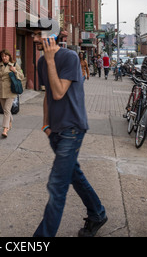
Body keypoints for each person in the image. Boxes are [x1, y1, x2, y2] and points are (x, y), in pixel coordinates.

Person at [31, 22, 107, 237]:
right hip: (55, 130)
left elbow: (58, 92)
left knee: (57, 186)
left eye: (39, 35)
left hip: (72, 128)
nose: (35, 39)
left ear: (52, 37)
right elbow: (47, 95)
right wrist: (46, 124)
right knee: (75, 176)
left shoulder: (69, 58)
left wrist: (49, 60)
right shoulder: (41, 62)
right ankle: (97, 214)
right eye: (34, 34)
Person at [0, 49, 24, 138]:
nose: (4, 57)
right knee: (6, 109)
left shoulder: (14, 65)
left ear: (9, 56)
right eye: (2, 56)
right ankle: (10, 121)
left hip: (11, 90)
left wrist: (15, 71)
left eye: (6, 56)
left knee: (6, 109)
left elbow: (22, 76)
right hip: (1, 90)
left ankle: (5, 129)